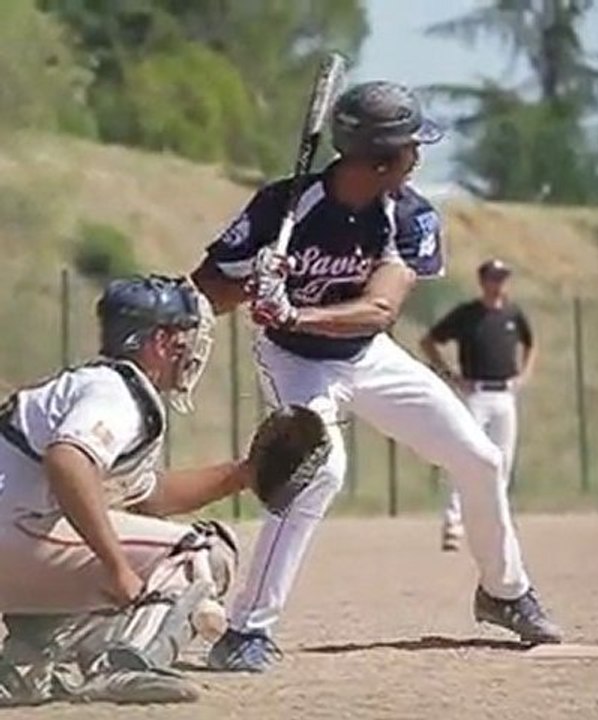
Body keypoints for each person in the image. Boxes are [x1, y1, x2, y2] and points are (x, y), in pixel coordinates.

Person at [190, 79, 562, 673]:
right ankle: (247, 630)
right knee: (319, 469)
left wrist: (293, 306)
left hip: (368, 352)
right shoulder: (282, 205)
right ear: (382, 157)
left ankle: (504, 591)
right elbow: (205, 291)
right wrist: (254, 283)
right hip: (295, 359)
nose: (419, 157)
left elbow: (381, 309)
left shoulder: (409, 214)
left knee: (480, 458)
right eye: (412, 147)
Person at [0, 275, 248, 706]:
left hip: (16, 532)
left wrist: (244, 474)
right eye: (181, 336)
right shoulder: (116, 392)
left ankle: (30, 658)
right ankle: (124, 664)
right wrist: (116, 565)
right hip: (15, 534)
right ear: (158, 341)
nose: (189, 348)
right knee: (199, 550)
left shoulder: (95, 386)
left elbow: (147, 497)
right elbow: (67, 460)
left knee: (111, 534)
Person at [420, 258, 535, 552]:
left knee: (502, 460)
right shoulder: (468, 314)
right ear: (483, 281)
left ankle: (499, 522)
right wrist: (451, 376)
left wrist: (523, 375)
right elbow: (429, 341)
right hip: (477, 394)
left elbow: (530, 343)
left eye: (503, 278)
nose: (499, 284)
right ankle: (453, 522)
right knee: (466, 454)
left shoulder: (512, 313)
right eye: (494, 278)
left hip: (504, 394)